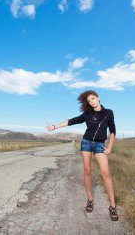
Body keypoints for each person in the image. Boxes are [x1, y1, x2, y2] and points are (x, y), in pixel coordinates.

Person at [46, 90, 118, 221]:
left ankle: (112, 206)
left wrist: (109, 147)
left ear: (98, 98)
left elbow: (112, 130)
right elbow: (72, 121)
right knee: (87, 171)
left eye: (93, 99)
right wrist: (55, 127)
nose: (91, 102)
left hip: (99, 145)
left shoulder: (108, 113)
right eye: (89, 101)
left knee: (105, 173)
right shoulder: (87, 113)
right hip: (86, 143)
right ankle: (90, 199)